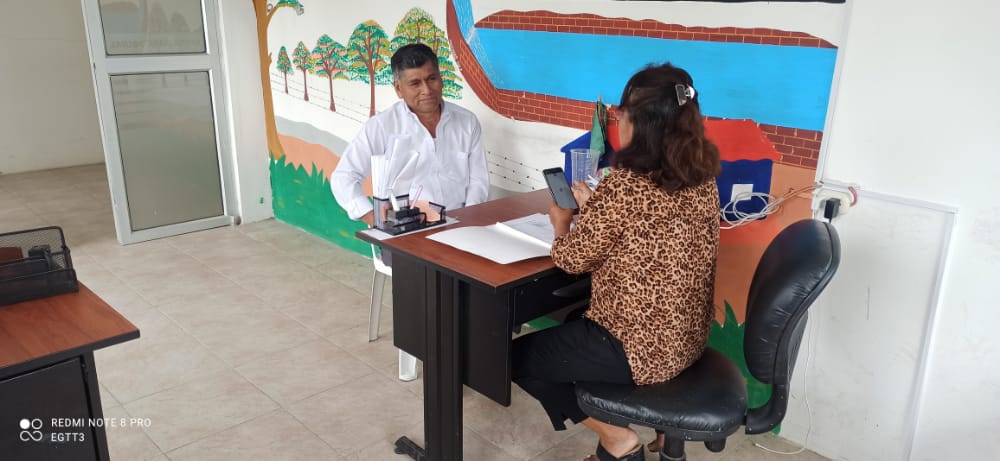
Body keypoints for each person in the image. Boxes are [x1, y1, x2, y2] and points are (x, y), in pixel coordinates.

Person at [511, 63, 721, 461]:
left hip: (639, 350)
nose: (617, 123)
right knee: (574, 322)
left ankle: (616, 439)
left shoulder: (625, 184)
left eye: (621, 115)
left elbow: (572, 259)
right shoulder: (702, 178)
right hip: (686, 340)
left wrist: (561, 223)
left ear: (639, 124)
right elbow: (653, 231)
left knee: (516, 360)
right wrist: (599, 208)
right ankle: (657, 437)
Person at [330, 43, 489, 227]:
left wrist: (467, 221)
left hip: (459, 223)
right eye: (415, 83)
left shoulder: (467, 122)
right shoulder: (382, 126)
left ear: (440, 78)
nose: (427, 90)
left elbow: (478, 181)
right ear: (399, 89)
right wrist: (372, 217)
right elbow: (344, 177)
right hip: (406, 227)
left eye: (432, 78)